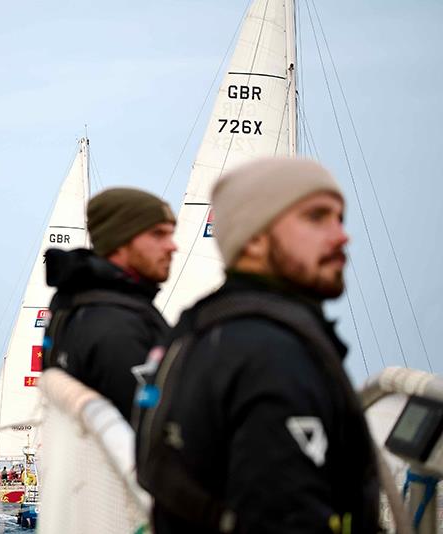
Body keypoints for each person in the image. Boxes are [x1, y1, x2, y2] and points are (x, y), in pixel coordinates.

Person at [136, 158, 380, 533]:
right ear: (254, 238)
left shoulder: (199, 330)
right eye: (316, 217)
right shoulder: (272, 356)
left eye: (339, 218)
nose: (341, 236)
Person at [42, 187, 176, 421]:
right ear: (120, 240)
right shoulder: (116, 324)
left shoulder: (76, 301)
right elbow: (151, 427)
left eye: (171, 234)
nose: (172, 246)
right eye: (158, 234)